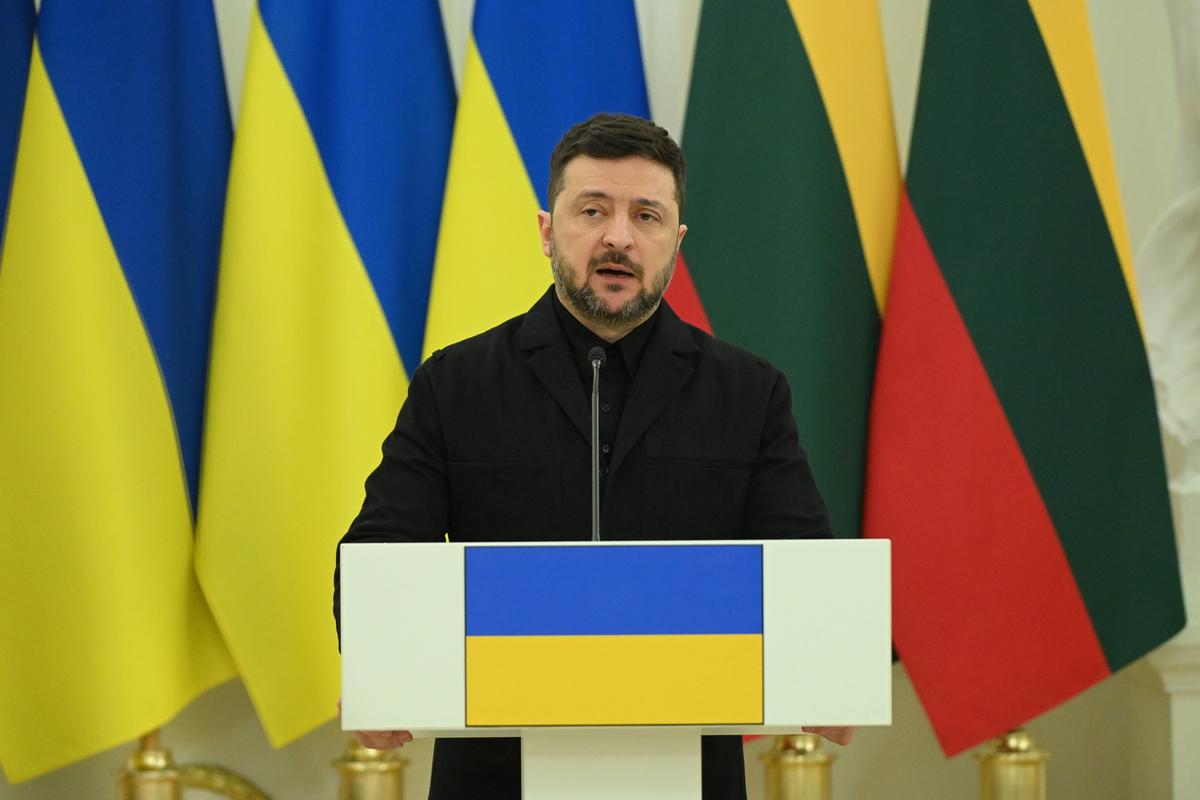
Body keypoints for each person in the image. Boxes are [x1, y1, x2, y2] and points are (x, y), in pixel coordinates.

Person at [334, 112, 853, 800]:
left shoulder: (748, 392)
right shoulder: (455, 385)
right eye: (593, 210)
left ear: (676, 241)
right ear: (549, 230)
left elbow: (802, 564)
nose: (619, 236)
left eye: (646, 215)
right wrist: (381, 669)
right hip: (493, 772)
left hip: (687, 766)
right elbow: (383, 548)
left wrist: (825, 670)